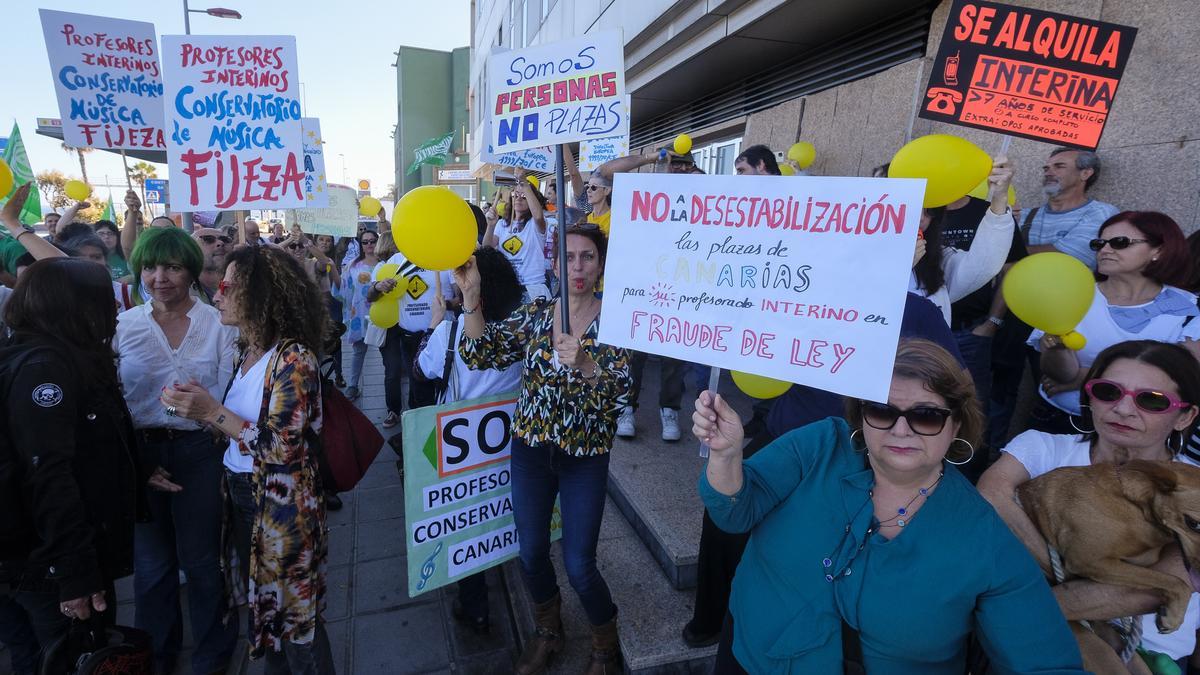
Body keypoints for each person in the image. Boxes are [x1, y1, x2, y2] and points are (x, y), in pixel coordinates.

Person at [694, 338, 1085, 673]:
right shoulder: (819, 446)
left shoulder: (985, 539)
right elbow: (734, 511)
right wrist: (726, 456)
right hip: (746, 656)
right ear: (861, 417)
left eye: (926, 416)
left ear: (957, 426)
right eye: (882, 410)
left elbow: (1044, 660)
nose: (901, 429)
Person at [683, 292, 963, 648]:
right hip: (791, 430)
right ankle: (711, 618)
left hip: (870, 449)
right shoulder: (804, 294)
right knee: (724, 514)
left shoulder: (917, 311)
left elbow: (957, 386)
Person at [457, 224, 632, 674]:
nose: (578, 266)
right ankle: (549, 630)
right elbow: (482, 352)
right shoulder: (537, 313)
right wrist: (472, 297)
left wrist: (587, 363)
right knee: (531, 552)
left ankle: (603, 644)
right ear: (555, 263)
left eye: (588, 257)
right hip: (532, 452)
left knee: (579, 565)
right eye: (569, 257)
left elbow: (622, 396)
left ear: (601, 264)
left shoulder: (618, 320)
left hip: (584, 459)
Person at [160, 244, 335, 672]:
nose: (215, 295)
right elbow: (241, 430)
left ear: (260, 295)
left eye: (226, 286)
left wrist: (212, 411)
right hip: (243, 497)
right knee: (264, 610)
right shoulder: (245, 350)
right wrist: (197, 412)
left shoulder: (294, 359)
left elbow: (283, 447)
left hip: (283, 507)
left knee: (296, 619)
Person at [979, 340, 1200, 671]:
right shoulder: (1042, 448)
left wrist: (1021, 605)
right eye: (1108, 392)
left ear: (1185, 416)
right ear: (1089, 396)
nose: (1123, 409)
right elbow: (989, 496)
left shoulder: (1192, 491)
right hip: (1042, 634)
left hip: (1157, 650)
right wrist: (1063, 566)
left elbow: (1147, 594)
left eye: (1151, 401)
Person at [0, 258, 145, 668]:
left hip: (41, 557)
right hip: (46, 566)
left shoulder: (52, 354)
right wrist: (75, 572)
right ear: (75, 308)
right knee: (69, 658)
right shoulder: (45, 367)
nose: (114, 311)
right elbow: (48, 474)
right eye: (104, 302)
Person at [114, 227, 239, 674]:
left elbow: (227, 392)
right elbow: (112, 398)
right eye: (149, 267)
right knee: (151, 568)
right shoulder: (124, 325)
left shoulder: (219, 324)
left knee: (204, 561)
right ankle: (157, 654)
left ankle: (214, 653)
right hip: (141, 454)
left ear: (190, 270)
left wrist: (211, 420)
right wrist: (136, 460)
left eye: (171, 266)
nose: (159, 277)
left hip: (199, 451)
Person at [415, 247, 524, 635]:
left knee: (465, 520)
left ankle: (475, 604)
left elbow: (424, 369)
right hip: (507, 444)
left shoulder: (450, 330)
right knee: (502, 511)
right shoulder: (522, 330)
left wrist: (434, 326)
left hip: (458, 449)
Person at [1029, 211, 1199, 434]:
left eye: (1120, 243)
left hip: (1135, 432)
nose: (1105, 250)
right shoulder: (1070, 294)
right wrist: (1058, 352)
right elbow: (1055, 374)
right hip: (1058, 419)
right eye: (1100, 243)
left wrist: (1084, 378)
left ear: (1158, 250)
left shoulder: (1187, 307)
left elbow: (1179, 378)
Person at [909, 158, 1015, 325]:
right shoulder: (859, 254)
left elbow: (982, 264)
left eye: (930, 209)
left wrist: (1000, 198)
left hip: (931, 348)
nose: (921, 217)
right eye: (911, 206)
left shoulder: (938, 258)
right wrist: (898, 270)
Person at [366, 241, 454, 429]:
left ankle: (439, 436)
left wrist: (447, 304)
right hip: (409, 339)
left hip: (441, 336)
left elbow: (461, 297)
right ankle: (423, 438)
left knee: (442, 389)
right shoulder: (396, 261)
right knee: (418, 389)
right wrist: (379, 287)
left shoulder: (444, 259)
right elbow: (370, 296)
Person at [1023, 147, 1119, 269]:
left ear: (1085, 174)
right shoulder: (1024, 215)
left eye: (1059, 166)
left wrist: (1008, 252)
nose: (1048, 173)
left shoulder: (1101, 212)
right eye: (1046, 168)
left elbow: (1069, 259)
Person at [485, 179, 549, 301]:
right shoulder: (501, 224)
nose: (519, 198)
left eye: (524, 196)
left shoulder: (535, 223)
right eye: (515, 194)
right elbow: (487, 248)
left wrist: (524, 183)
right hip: (509, 288)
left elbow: (538, 215)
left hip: (534, 288)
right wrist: (491, 225)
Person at [339, 230, 380, 401]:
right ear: (360, 245)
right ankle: (353, 385)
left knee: (389, 353)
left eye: (372, 241)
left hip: (382, 313)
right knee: (358, 352)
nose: (369, 244)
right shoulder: (353, 266)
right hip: (360, 314)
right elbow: (344, 289)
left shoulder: (386, 263)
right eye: (365, 242)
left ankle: (393, 387)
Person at [191, 227, 231, 302]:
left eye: (224, 239)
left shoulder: (246, 284)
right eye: (208, 239)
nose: (220, 243)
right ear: (192, 251)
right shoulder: (182, 290)